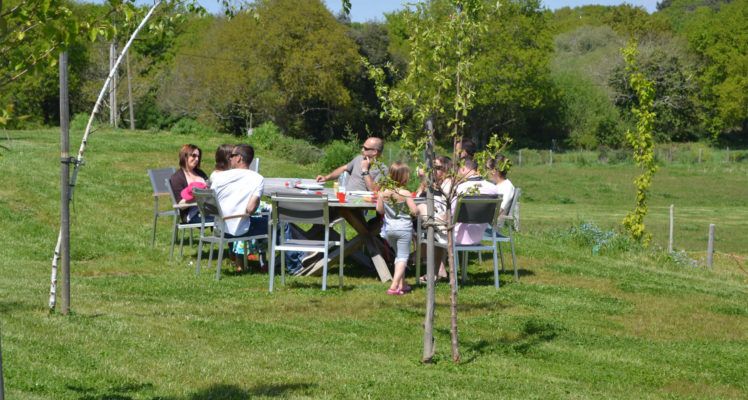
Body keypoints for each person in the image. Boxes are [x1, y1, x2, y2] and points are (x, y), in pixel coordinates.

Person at [209, 144, 267, 241]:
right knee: (279, 224)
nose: (229, 158)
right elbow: (250, 209)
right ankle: (295, 255)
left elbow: (210, 202)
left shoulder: (220, 176)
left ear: (239, 158)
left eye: (231, 156)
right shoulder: (257, 178)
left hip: (218, 229)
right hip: (239, 231)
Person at [376, 162, 418, 295]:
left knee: (398, 256)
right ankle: (394, 286)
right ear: (404, 177)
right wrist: (415, 212)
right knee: (403, 257)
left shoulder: (383, 192)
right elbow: (414, 210)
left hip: (389, 229)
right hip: (403, 228)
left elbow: (379, 209)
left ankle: (402, 284)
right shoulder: (405, 193)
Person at [453, 158, 499, 245]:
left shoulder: (460, 188)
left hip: (457, 236)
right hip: (479, 235)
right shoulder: (493, 188)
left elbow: (452, 213)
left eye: (457, 171)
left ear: (462, 169)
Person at [316, 137, 387, 192]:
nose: (362, 150)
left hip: (360, 203)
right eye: (362, 147)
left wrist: (365, 170)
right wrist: (325, 178)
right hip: (345, 198)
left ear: (374, 151)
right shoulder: (359, 158)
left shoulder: (383, 169)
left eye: (365, 148)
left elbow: (374, 190)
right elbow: (343, 168)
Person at [169, 144, 209, 224]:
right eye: (193, 156)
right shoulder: (177, 178)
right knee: (222, 220)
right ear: (184, 156)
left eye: (198, 156)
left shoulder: (200, 173)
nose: (197, 159)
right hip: (192, 215)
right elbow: (180, 205)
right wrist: (198, 197)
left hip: (208, 210)